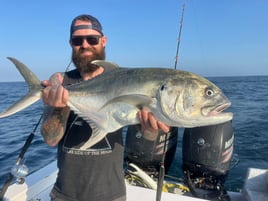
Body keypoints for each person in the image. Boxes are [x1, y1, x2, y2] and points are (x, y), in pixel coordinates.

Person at [40, 14, 170, 201]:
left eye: (92, 39)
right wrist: (61, 106)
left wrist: (151, 130)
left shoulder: (123, 79)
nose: (85, 45)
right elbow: (51, 139)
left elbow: (147, 138)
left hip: (111, 194)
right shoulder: (60, 81)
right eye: (78, 40)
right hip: (64, 195)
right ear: (71, 43)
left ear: (103, 40)